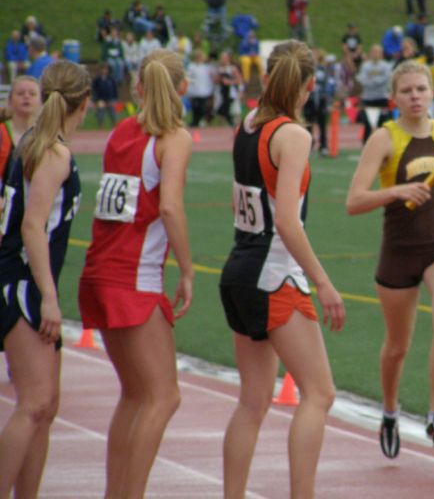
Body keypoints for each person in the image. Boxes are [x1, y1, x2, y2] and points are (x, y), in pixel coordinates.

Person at [219, 40, 345, 498]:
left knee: (252, 401)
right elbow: (288, 222)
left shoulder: (246, 125)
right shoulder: (293, 135)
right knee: (319, 394)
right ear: (309, 86)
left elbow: (242, 202)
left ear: (266, 77)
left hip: (238, 269)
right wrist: (324, 283)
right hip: (275, 274)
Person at [345, 60, 434, 459]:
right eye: (407, 91)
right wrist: (398, 190)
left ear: (432, 92)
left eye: (421, 89)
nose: (415, 96)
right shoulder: (383, 139)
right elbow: (354, 201)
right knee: (397, 346)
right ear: (394, 97)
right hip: (399, 253)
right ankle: (389, 411)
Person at [78, 49, 194, 498]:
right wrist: (186, 271)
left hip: (99, 270)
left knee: (134, 394)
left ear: (138, 87)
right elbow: (168, 205)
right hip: (134, 276)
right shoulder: (174, 138)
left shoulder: (121, 131)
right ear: (183, 87)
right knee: (164, 396)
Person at [0, 61, 90, 498]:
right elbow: (33, 227)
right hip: (21, 280)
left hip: (26, 278)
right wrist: (49, 299)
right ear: (84, 104)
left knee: (46, 406)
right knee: (34, 402)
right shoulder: (53, 152)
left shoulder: (35, 143)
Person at [0, 76, 42, 206]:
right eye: (20, 93)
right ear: (10, 100)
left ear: (41, 101)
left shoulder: (44, 135)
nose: (26, 97)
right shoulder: (2, 132)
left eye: (32, 94)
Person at [357, 44, 394, 143]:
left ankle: (384, 144)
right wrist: (375, 82)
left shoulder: (386, 66)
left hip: (381, 98)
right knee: (367, 124)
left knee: (384, 124)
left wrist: (373, 81)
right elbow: (362, 79)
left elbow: (386, 79)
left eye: (378, 52)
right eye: (374, 52)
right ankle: (365, 145)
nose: (375, 54)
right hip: (368, 98)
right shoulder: (365, 66)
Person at [186, 49, 216, 127]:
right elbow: (188, 78)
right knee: (195, 108)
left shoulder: (206, 67)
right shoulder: (191, 66)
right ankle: (195, 122)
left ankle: (201, 121)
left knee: (203, 108)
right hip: (195, 91)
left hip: (204, 91)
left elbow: (210, 78)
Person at [216, 50, 243, 127]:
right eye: (221, 58)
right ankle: (222, 125)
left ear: (228, 59)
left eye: (224, 58)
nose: (223, 60)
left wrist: (229, 82)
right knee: (221, 106)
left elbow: (239, 80)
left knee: (230, 108)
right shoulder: (220, 68)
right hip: (222, 91)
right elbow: (218, 80)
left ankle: (234, 123)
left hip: (230, 92)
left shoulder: (232, 68)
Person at [91, 63, 119, 128]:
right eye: (103, 69)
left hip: (110, 99)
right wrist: (95, 99)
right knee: (100, 114)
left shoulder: (111, 79)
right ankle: (101, 127)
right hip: (100, 99)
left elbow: (114, 89)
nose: (104, 71)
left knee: (113, 114)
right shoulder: (97, 80)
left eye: (106, 69)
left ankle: (115, 127)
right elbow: (94, 89)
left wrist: (115, 98)